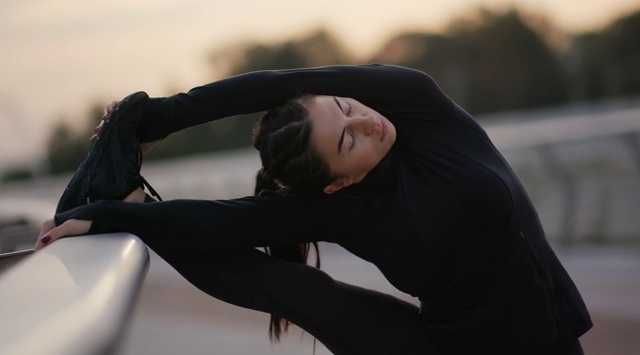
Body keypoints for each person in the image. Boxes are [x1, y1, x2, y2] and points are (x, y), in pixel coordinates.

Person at [36, 64, 591, 354]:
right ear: (333, 184)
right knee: (297, 288)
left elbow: (286, 83)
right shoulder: (338, 209)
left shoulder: (419, 109)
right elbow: (225, 223)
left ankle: (133, 206)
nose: (366, 123)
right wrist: (115, 215)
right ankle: (134, 204)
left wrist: (156, 119)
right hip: (447, 349)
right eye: (348, 142)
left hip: (549, 339)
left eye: (347, 109)